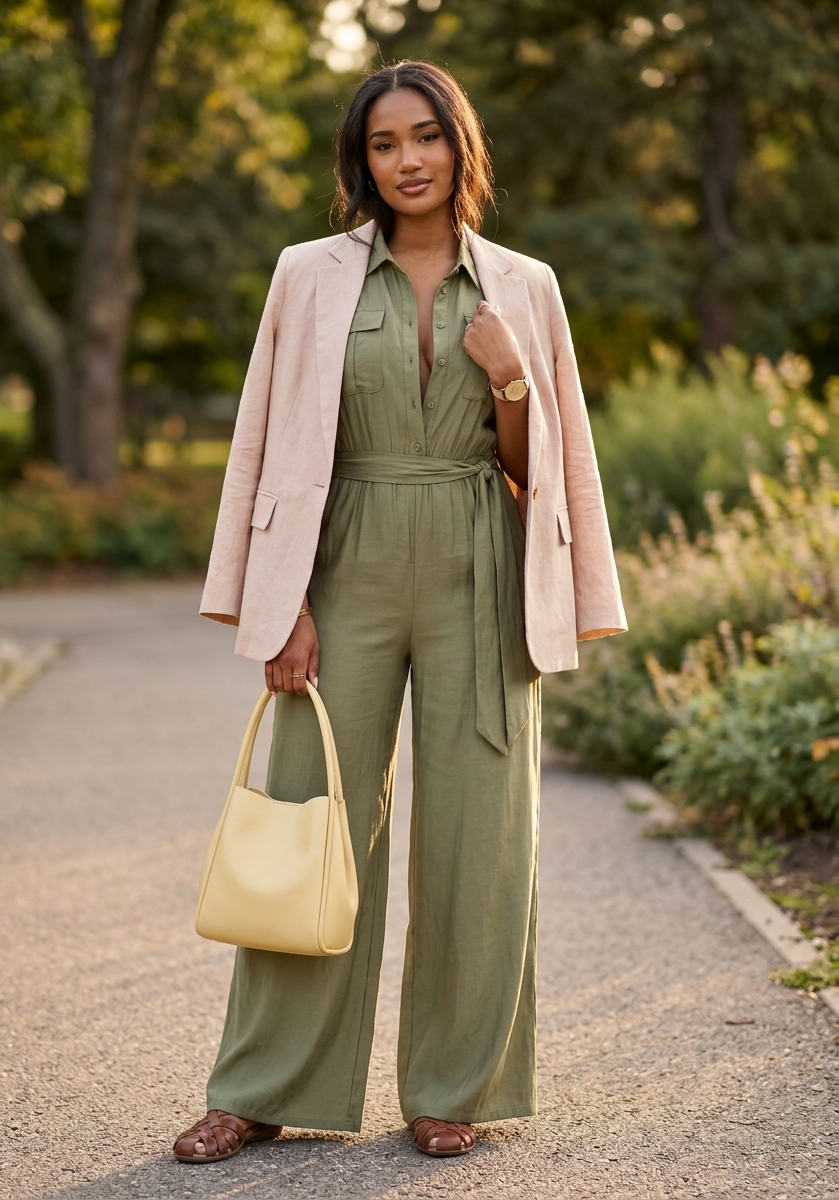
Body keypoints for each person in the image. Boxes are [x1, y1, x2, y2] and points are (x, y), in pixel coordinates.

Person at [173, 59, 625, 1163]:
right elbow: (262, 443)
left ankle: (449, 1087)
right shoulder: (307, 276)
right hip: (346, 560)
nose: (407, 160)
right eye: (383, 143)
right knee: (309, 818)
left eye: (424, 137)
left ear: (457, 147)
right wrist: (277, 609)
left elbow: (542, 468)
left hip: (480, 555)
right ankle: (261, 1084)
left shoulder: (524, 284)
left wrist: (512, 379)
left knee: (481, 836)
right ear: (359, 161)